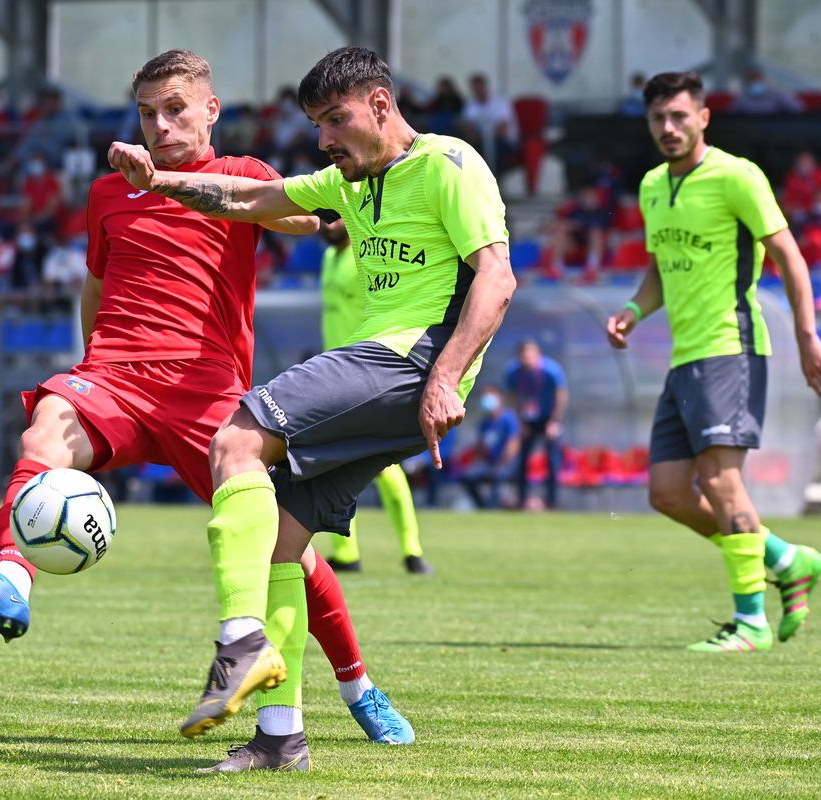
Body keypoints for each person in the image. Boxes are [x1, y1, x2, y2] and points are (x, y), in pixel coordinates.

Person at [0, 49, 413, 749]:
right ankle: (12, 582)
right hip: (117, 377)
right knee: (44, 430)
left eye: (175, 108)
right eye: (148, 113)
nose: (160, 124)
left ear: (211, 109)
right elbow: (96, 285)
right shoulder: (106, 192)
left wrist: (296, 210)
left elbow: (302, 222)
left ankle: (357, 684)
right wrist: (92, 367)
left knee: (286, 548)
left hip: (205, 391)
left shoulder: (242, 178)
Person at [108, 46, 514, 771]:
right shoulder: (348, 182)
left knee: (237, 437)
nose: (325, 138)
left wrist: (447, 378)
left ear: (381, 106)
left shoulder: (450, 164)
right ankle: (280, 737)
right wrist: (159, 178)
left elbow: (497, 278)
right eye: (317, 124)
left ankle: (239, 644)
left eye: (336, 120)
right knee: (279, 544)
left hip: (409, 362)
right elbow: (247, 202)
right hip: (393, 376)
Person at [605, 71, 821, 654]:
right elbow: (662, 264)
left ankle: (750, 623)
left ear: (703, 117)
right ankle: (787, 557)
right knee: (668, 493)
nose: (669, 127)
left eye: (680, 116)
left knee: (719, 478)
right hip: (685, 358)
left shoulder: (738, 176)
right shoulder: (652, 186)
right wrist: (635, 310)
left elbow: (789, 256)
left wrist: (809, 336)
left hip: (730, 347)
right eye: (659, 118)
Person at [316, 218, 432, 575]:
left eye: (334, 216)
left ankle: (412, 550)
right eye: (322, 217)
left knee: (385, 466)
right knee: (331, 465)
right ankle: (346, 553)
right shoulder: (329, 259)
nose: (326, 224)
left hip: (365, 371)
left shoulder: (366, 258)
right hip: (332, 374)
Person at [504, 338, 567, 510]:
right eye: (523, 356)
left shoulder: (551, 370)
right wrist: (520, 422)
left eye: (530, 355)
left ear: (537, 354)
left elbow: (560, 396)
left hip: (548, 419)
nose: (527, 359)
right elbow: (512, 397)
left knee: (552, 460)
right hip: (527, 420)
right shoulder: (513, 372)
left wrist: (554, 422)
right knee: (523, 460)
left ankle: (552, 502)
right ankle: (522, 500)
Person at [461, 385, 520, 509]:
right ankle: (482, 506)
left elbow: (513, 444)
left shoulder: (509, 418)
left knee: (497, 475)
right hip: (489, 463)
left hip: (506, 464)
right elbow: (480, 447)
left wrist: (501, 464)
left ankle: (495, 507)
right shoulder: (484, 423)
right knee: (468, 476)